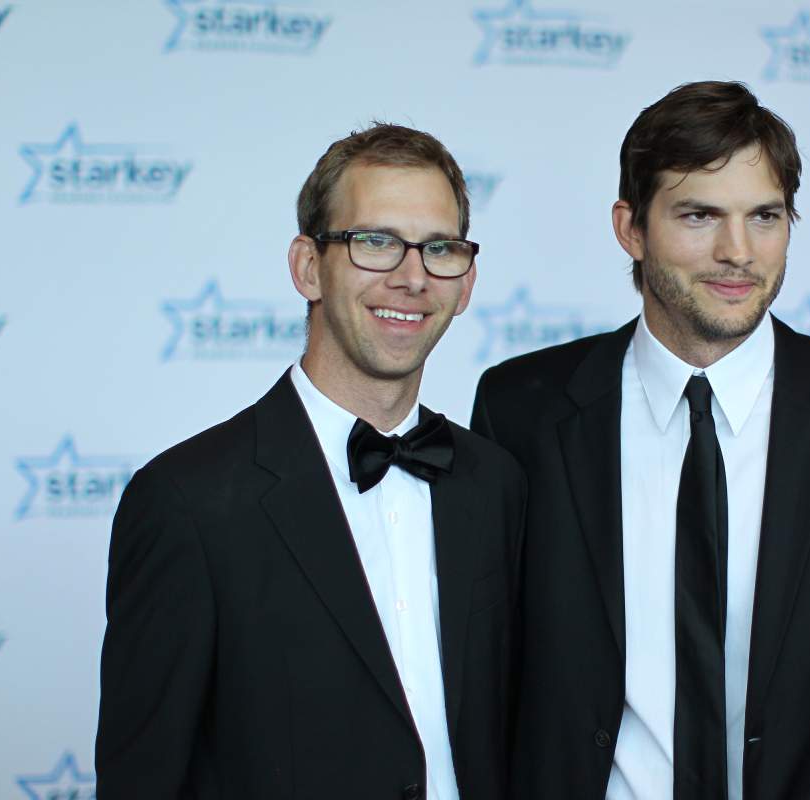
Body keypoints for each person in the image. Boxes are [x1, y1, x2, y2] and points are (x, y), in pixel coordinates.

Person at [471, 81, 810, 800]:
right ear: (631, 228)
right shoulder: (521, 408)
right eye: (699, 215)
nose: (737, 252)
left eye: (764, 216)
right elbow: (488, 680)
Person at [96, 123, 525, 800]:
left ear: (466, 282)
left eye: (439, 248)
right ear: (307, 267)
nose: (412, 277)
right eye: (375, 242)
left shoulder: (497, 484)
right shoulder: (187, 501)